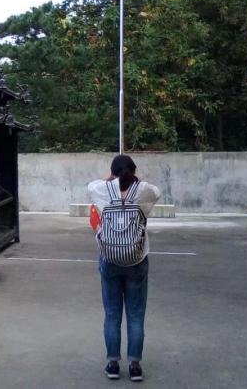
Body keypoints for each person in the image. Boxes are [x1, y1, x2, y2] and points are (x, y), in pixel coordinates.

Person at [88, 154, 160, 382]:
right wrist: (136, 180)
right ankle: (135, 366)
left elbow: (91, 186)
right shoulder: (142, 191)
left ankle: (112, 364)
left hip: (109, 259)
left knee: (112, 314)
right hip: (137, 259)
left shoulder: (101, 190)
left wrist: (109, 179)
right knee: (136, 315)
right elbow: (157, 192)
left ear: (112, 172)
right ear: (133, 171)